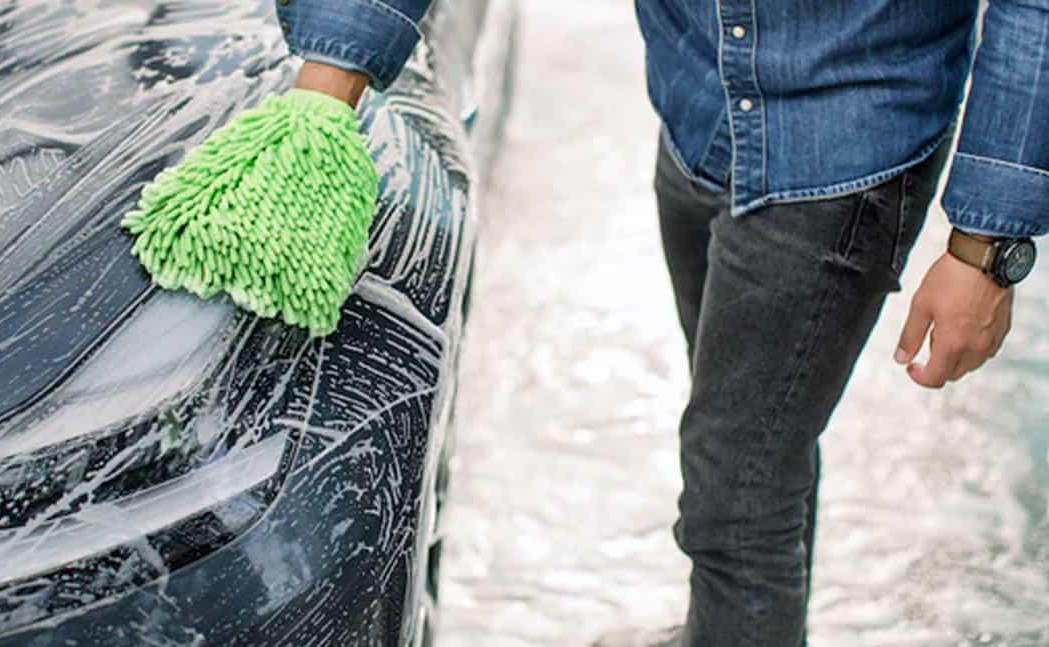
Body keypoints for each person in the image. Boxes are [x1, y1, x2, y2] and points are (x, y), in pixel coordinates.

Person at [275, 1, 1047, 645]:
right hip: (697, 106)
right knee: (752, 451)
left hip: (844, 142)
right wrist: (326, 86)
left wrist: (985, 243)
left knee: (735, 495)